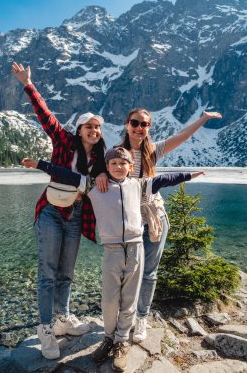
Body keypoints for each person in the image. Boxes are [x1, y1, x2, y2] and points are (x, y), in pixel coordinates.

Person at [22, 147, 204, 372]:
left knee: (129, 299)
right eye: (114, 163)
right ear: (107, 167)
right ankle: (108, 338)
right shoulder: (94, 186)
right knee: (109, 300)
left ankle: (121, 342)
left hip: (136, 247)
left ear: (130, 166)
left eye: (123, 163)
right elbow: (64, 174)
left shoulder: (139, 185)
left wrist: (189, 175)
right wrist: (40, 164)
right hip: (112, 250)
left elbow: (166, 179)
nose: (119, 167)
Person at [12, 62, 108, 360]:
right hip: (52, 212)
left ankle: (63, 318)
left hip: (76, 215)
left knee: (66, 273)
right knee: (47, 274)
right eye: (89, 126)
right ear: (79, 129)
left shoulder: (102, 158)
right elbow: (46, 118)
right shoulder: (64, 141)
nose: (94, 130)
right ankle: (45, 327)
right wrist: (29, 85)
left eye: (98, 127)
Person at [115, 107, 222, 342]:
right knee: (128, 271)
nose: (140, 128)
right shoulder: (116, 153)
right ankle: (126, 316)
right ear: (127, 124)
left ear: (149, 128)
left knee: (149, 273)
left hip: (154, 219)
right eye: (135, 122)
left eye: (145, 124)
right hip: (128, 222)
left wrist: (202, 119)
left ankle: (141, 318)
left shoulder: (152, 151)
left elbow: (182, 137)